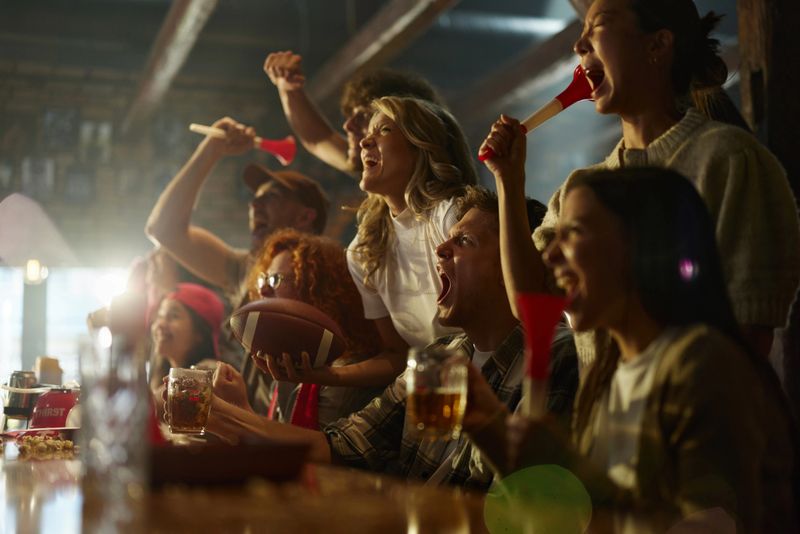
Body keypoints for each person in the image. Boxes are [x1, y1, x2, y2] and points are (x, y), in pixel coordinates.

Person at [465, 169, 797, 532]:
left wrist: (565, 463)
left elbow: (705, 525)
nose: (551, 256)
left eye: (574, 232)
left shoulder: (702, 365)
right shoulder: (607, 372)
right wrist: (492, 432)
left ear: (640, 244)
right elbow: (581, 517)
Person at [480, 0, 800, 366]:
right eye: (582, 33)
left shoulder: (728, 160)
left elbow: (748, 333)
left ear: (657, 45)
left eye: (599, 26)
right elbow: (534, 305)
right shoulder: (578, 190)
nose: (579, 46)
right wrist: (508, 181)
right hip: (605, 407)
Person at [201, 187, 579, 491]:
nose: (440, 250)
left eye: (464, 241)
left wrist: (223, 415)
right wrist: (222, 414)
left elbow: (533, 501)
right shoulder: (440, 356)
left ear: (513, 262)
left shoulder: (557, 357)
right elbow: (338, 445)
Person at [263, 96, 478, 390]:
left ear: (421, 146)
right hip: (429, 383)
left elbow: (488, 324)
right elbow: (397, 355)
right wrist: (321, 376)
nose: (365, 141)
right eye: (368, 133)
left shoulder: (451, 218)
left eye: (384, 130)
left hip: (478, 375)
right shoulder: (364, 250)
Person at [145, 117, 329, 363]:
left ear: (305, 217)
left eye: (271, 197)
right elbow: (163, 230)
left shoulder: (328, 277)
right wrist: (211, 149)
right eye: (255, 198)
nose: (255, 205)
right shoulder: (247, 269)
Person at [235, 228, 383, 428]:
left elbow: (307, 444)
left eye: (275, 279)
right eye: (263, 279)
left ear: (316, 287)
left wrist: (237, 406)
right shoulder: (290, 363)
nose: (263, 289)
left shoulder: (347, 373)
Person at [264, 51, 441, 174]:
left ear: (411, 130)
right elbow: (317, 139)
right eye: (350, 116)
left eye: (363, 116)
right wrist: (288, 89)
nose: (347, 126)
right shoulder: (373, 168)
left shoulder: (447, 204)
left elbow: (317, 139)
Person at [149, 282, 225, 392]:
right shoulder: (159, 377)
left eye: (174, 316)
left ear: (199, 332)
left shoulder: (210, 377)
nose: (160, 324)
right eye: (160, 316)